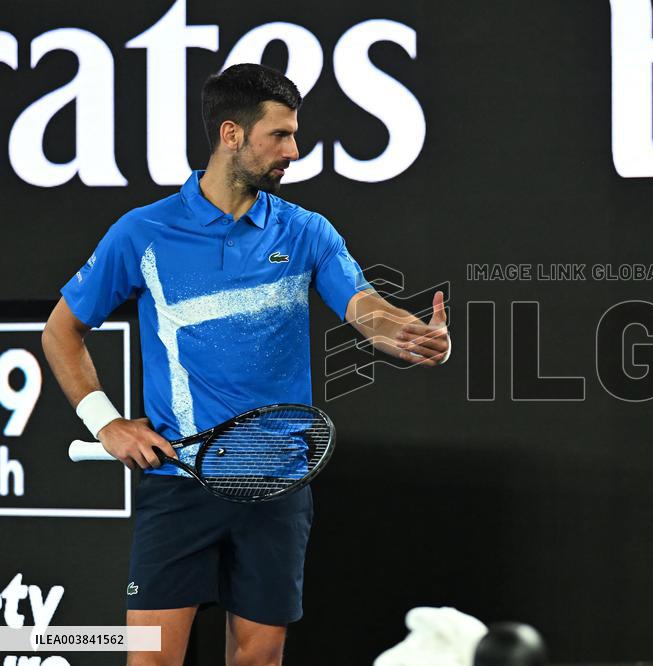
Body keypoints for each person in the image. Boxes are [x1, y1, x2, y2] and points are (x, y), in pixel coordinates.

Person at [40, 63, 450, 666]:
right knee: (149, 658)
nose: (294, 150)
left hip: (277, 480)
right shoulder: (143, 233)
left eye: (293, 135)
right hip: (178, 480)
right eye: (279, 135)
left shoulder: (307, 231)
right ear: (232, 134)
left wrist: (403, 332)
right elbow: (61, 332)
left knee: (258, 660)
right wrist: (106, 422)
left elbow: (362, 304)